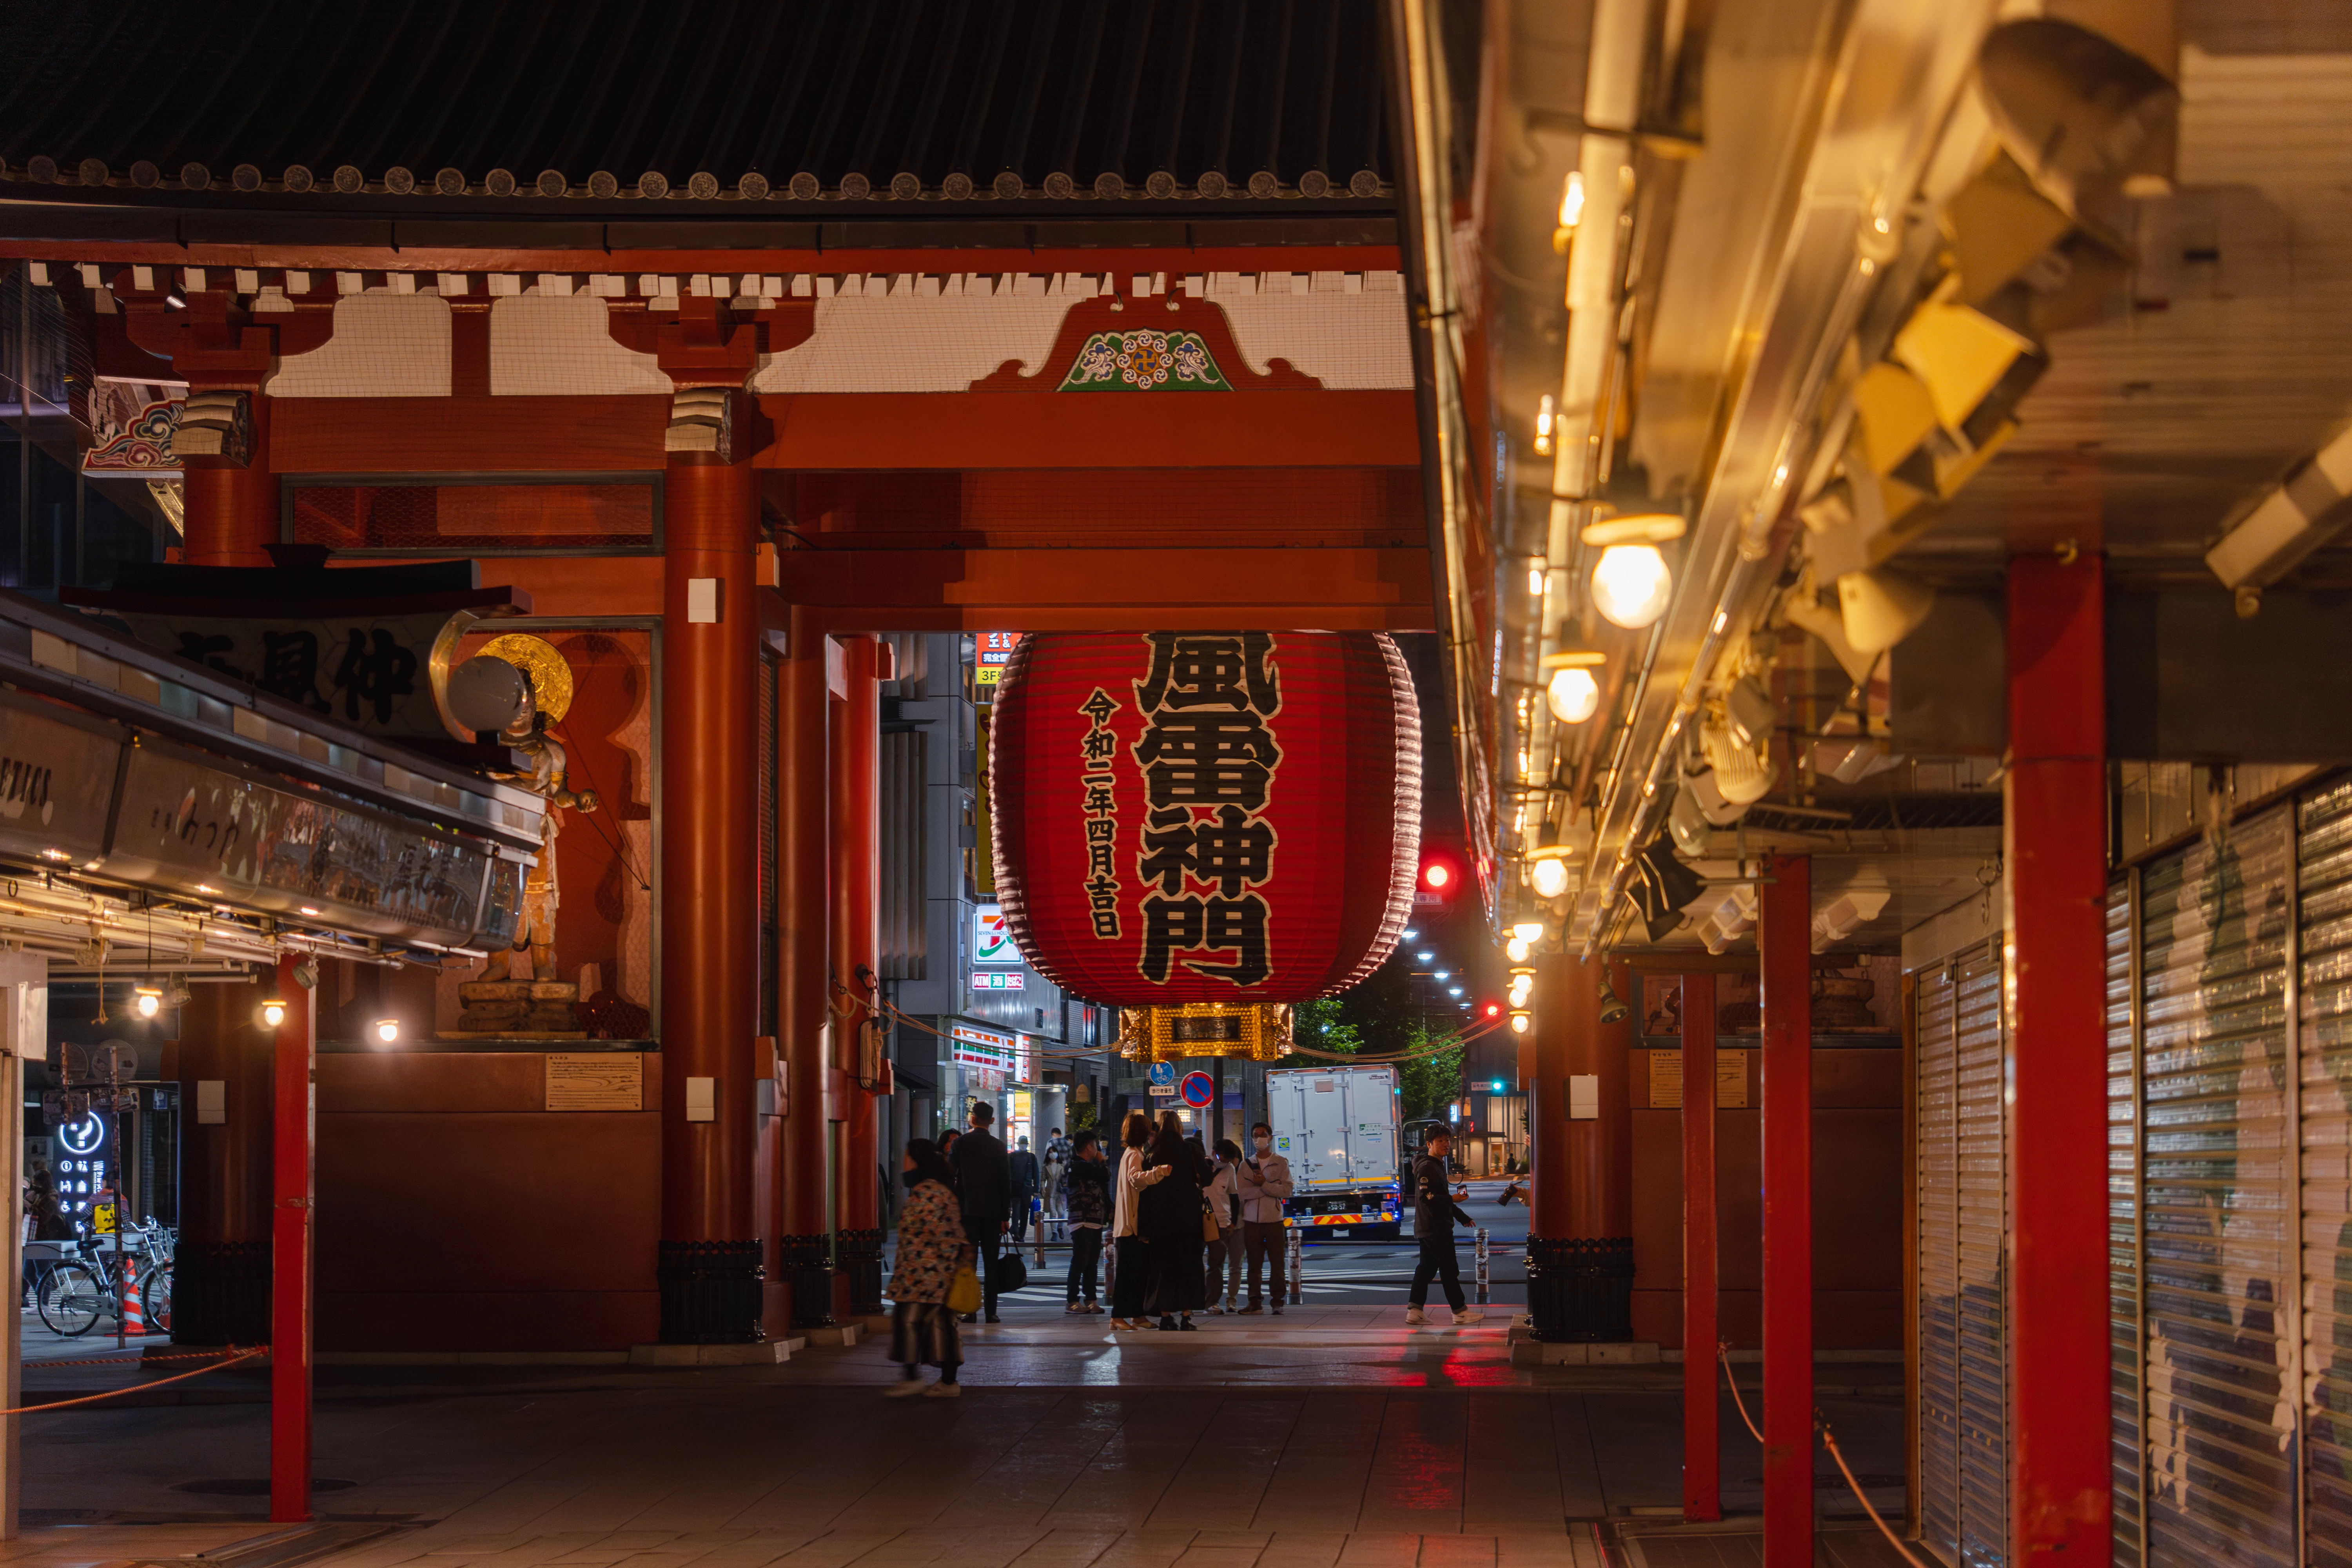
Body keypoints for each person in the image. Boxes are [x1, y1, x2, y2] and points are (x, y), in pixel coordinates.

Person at [883, 1140, 971, 1399]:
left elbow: (942, 1235)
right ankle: (944, 1381)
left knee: (911, 1324)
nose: (904, 1164)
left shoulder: (928, 1194)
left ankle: (918, 1378)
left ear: (918, 1161)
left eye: (907, 1157)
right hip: (929, 1276)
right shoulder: (939, 1190)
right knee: (939, 1327)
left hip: (923, 1277)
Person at [1140, 1110, 1212, 1331]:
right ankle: (1187, 1316)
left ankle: (1165, 1316)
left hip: (1161, 1219)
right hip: (1188, 1218)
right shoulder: (1190, 1149)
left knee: (1164, 1267)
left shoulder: (1153, 1153)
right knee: (1188, 1265)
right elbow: (1207, 1178)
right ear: (1179, 1127)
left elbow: (1145, 1189)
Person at [1405, 1127, 1485, 1327]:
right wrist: (1453, 1199)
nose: (1446, 1144)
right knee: (1449, 1269)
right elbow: (1427, 1197)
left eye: (1447, 1140)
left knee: (1427, 1268)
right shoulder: (1428, 1168)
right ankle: (1460, 1312)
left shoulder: (1436, 1165)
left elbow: (1441, 1200)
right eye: (1440, 1141)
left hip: (1430, 1226)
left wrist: (1462, 1216)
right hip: (1435, 1227)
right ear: (1430, 1144)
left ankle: (1415, 1311)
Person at [948, 1102, 1011, 1323]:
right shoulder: (999, 1146)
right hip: (993, 1213)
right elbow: (1005, 1183)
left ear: (973, 1119)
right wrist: (1006, 1216)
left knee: (969, 1263)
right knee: (991, 1264)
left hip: (967, 1212)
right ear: (992, 1121)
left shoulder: (961, 1143)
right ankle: (991, 1312)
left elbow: (950, 1175)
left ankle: (970, 1311)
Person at [1109, 1109, 1169, 1329]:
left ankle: (1136, 1315)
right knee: (1129, 1274)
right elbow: (1136, 1180)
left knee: (1137, 1273)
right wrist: (1159, 1172)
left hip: (1130, 1224)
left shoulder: (1132, 1154)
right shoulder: (1135, 1155)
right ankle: (1118, 1317)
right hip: (1130, 1227)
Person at [1236, 1122, 1294, 1314]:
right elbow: (1242, 1193)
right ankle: (1255, 1301)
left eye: (1263, 1134)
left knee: (1277, 1264)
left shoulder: (1280, 1162)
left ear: (1270, 1137)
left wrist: (1264, 1186)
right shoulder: (1246, 1165)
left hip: (1274, 1221)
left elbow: (1287, 1190)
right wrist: (1268, 1189)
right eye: (1255, 1135)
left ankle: (1278, 1301)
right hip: (1251, 1221)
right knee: (1253, 1264)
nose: (1259, 1138)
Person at [1063, 1129, 1112, 1314]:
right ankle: (1072, 1301)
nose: (1098, 1149)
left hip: (1094, 1219)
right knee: (1080, 1261)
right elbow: (1104, 1176)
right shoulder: (1077, 1166)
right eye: (1096, 1145)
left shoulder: (1086, 1166)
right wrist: (1100, 1161)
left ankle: (1091, 1299)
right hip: (1081, 1220)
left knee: (1092, 1262)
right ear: (1089, 1147)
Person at [1203, 1139, 1247, 1312]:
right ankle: (1195, 1301)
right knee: (1197, 1263)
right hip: (1202, 1221)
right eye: (1223, 1158)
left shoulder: (1229, 1169)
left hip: (1222, 1222)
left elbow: (1234, 1197)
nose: (1226, 1162)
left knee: (1217, 1264)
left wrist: (1233, 1222)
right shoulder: (1201, 1166)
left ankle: (1213, 1302)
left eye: (1229, 1160)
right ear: (1214, 1153)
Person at [1008, 1135, 1041, 1247]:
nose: (1023, 1145)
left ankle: (1019, 1233)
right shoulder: (1013, 1157)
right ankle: (1018, 1234)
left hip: (1023, 1189)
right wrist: (1036, 1189)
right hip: (1020, 1189)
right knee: (1018, 1213)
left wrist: (1036, 1189)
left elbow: (1036, 1174)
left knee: (1022, 1213)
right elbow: (1036, 1174)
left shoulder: (1030, 1157)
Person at [1043, 1127, 1072, 1220]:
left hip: (1053, 1176)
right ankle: (1061, 1225)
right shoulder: (1067, 1143)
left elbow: (1047, 1158)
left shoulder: (1051, 1143)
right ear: (1060, 1134)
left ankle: (1054, 1228)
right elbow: (1071, 1158)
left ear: (1053, 1134)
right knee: (1063, 1202)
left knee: (1053, 1201)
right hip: (1065, 1178)